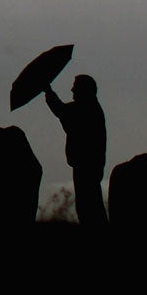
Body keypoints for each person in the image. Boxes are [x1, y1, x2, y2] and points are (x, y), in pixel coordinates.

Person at [45, 74, 107, 227]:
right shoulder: (89, 107)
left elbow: (62, 111)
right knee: (89, 203)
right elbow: (64, 112)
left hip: (86, 164)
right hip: (88, 163)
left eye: (76, 86)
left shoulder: (87, 108)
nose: (72, 89)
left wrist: (48, 91)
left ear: (84, 90)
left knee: (88, 205)